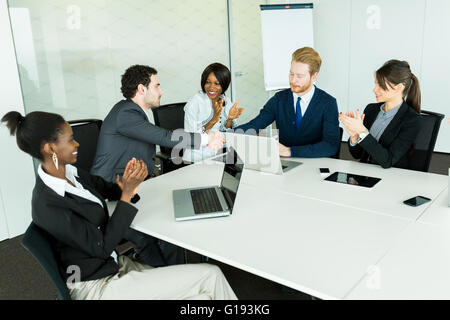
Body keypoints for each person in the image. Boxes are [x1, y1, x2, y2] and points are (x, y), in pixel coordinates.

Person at [1, 111, 237, 300]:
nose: (77, 143)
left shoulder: (71, 173)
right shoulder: (47, 203)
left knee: (202, 297)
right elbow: (101, 246)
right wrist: (125, 196)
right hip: (95, 286)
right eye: (70, 139)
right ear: (50, 148)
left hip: (114, 265)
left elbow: (106, 189)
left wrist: (128, 182)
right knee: (211, 276)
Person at [91, 65, 225, 268]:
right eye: (157, 85)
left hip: (131, 188)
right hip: (109, 197)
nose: (161, 91)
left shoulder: (132, 111)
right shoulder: (126, 114)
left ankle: (174, 275)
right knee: (150, 236)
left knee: (172, 224)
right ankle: (168, 278)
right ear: (141, 89)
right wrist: (206, 139)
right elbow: (164, 137)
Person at [235, 47, 340, 158]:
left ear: (314, 77)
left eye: (299, 76)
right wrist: (224, 136)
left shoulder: (328, 103)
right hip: (286, 165)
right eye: (291, 74)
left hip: (315, 165)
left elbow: (330, 145)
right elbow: (254, 125)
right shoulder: (279, 99)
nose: (293, 80)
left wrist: (290, 151)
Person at [339, 60, 422, 169]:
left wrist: (363, 132)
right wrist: (354, 136)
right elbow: (357, 155)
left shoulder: (412, 120)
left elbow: (388, 161)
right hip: (366, 174)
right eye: (375, 84)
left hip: (392, 178)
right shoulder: (371, 109)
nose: (374, 90)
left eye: (381, 85)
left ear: (399, 87)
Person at [183, 63, 244, 162]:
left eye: (217, 83)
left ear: (224, 84)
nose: (211, 87)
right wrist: (213, 119)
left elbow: (226, 132)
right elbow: (192, 138)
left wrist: (230, 119)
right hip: (196, 157)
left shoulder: (226, 101)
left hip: (216, 156)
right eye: (208, 82)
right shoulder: (194, 103)